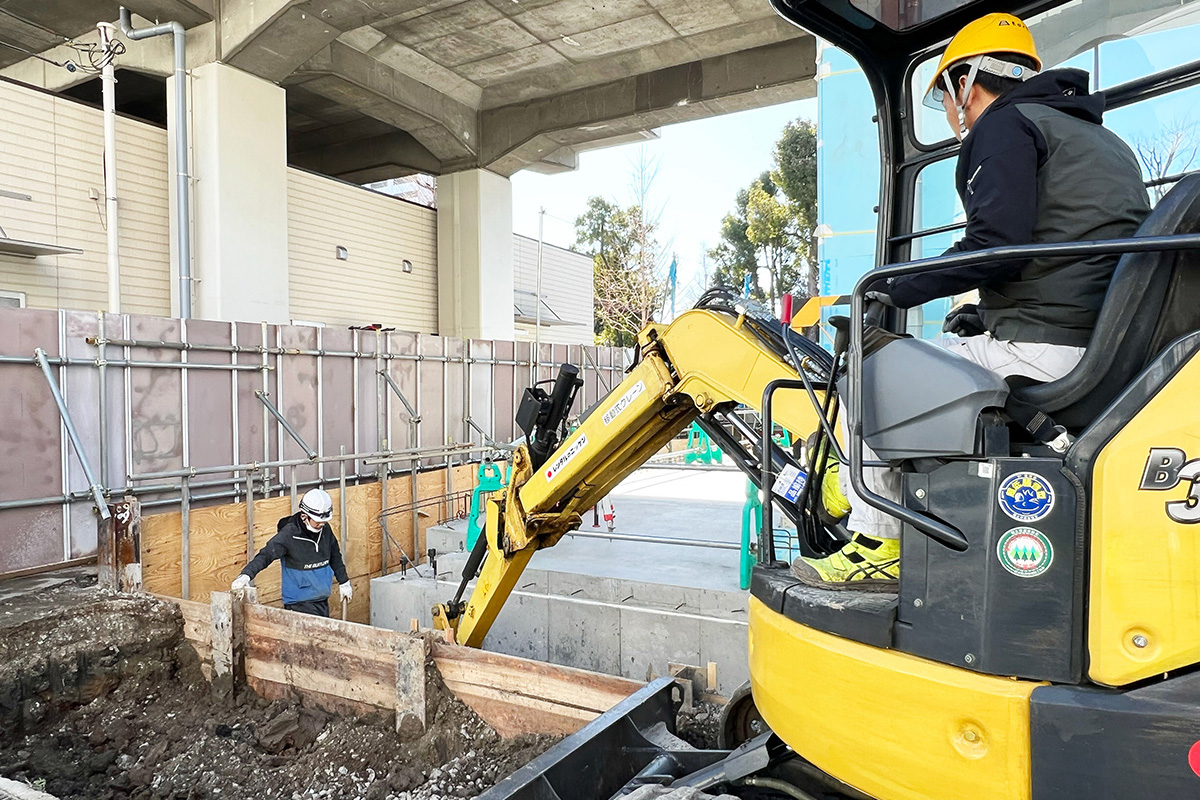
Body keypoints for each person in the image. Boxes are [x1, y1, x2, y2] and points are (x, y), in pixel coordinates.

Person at [793, 12, 1150, 591]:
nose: (954, 113)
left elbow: (996, 246)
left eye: (947, 96)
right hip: (1107, 350)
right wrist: (985, 315)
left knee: (877, 368)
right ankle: (864, 483)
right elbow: (1071, 255)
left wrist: (887, 284)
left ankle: (876, 538)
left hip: (1044, 351)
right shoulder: (1103, 141)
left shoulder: (1005, 127)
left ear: (967, 83)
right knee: (943, 355)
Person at [231, 488, 352, 617]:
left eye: (324, 520)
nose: (321, 524)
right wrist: (246, 575)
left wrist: (344, 581)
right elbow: (266, 555)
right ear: (304, 516)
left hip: (321, 601)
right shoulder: (289, 535)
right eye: (317, 521)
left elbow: (335, 556)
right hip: (299, 605)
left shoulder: (325, 530)